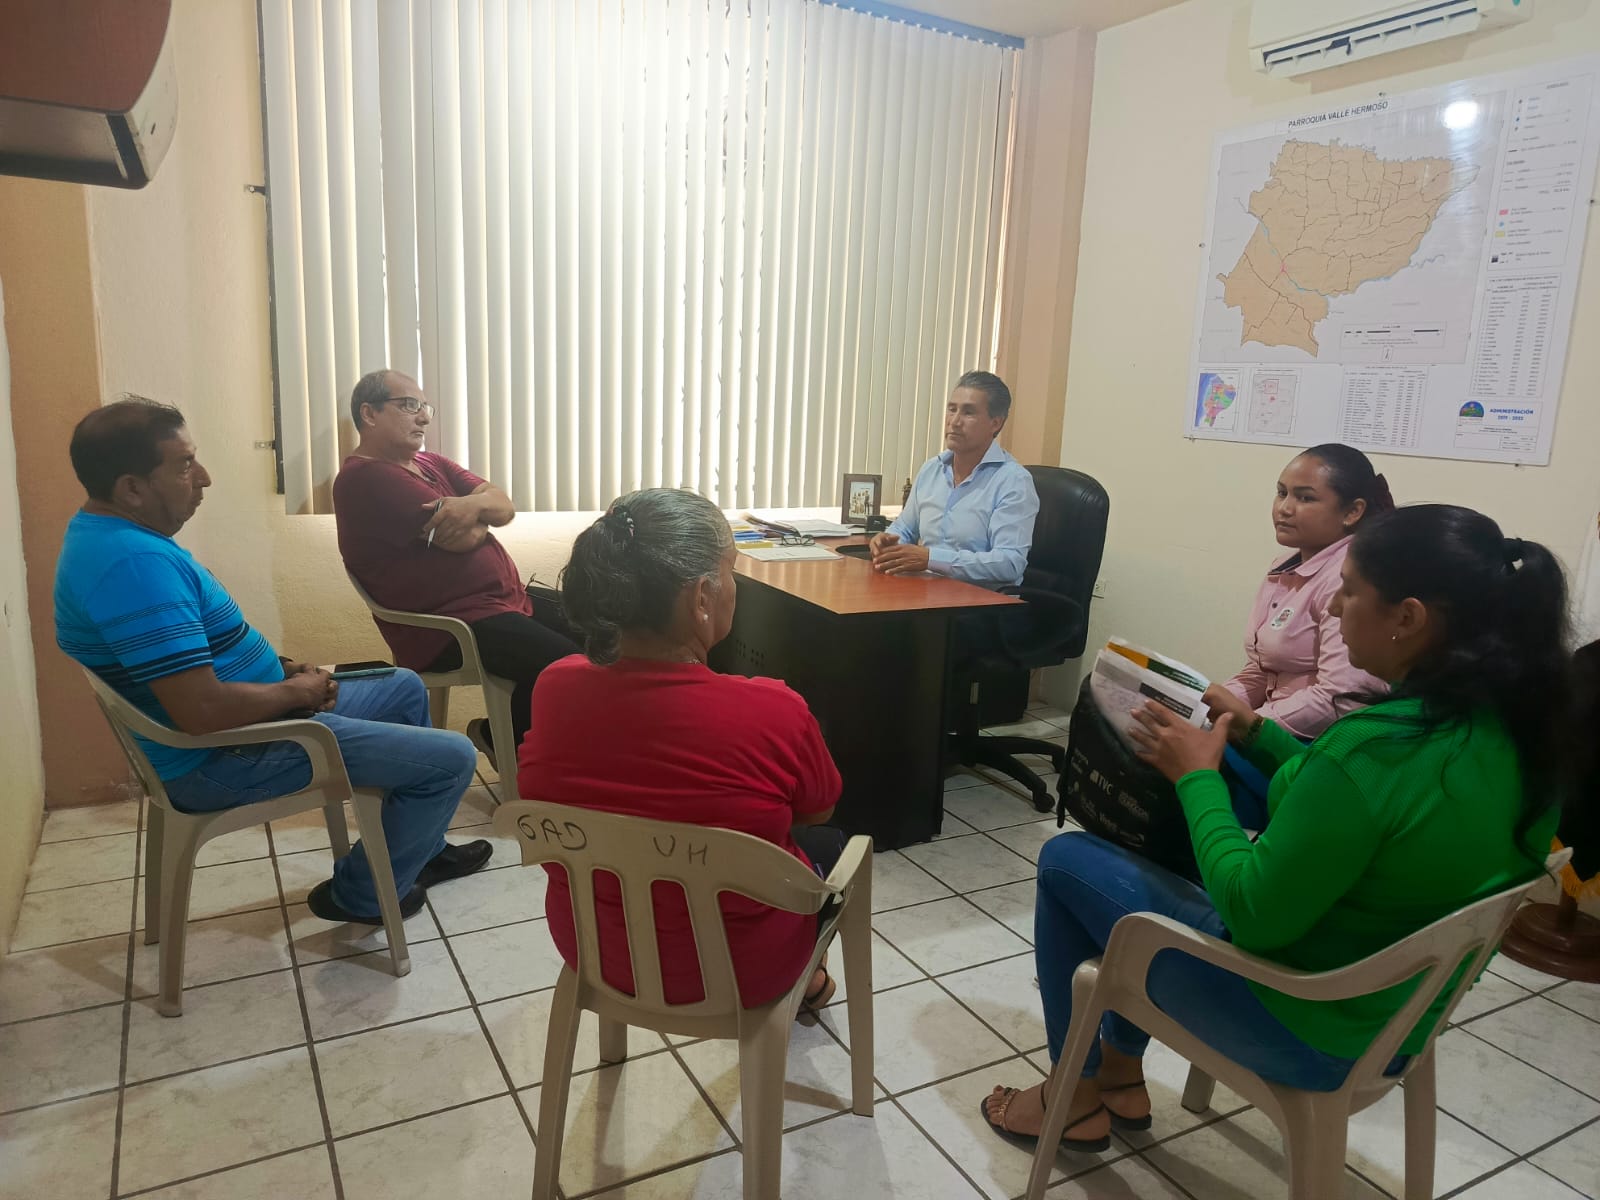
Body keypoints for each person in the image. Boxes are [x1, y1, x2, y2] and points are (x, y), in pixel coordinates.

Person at [981, 503, 1568, 1152]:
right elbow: (1342, 799)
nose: (1334, 609)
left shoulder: (1372, 749)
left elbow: (1252, 912)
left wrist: (1197, 778)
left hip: (1298, 1024)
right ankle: (1119, 1073)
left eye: (1350, 592)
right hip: (1398, 1021)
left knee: (1066, 861)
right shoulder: (1525, 738)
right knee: (1185, 827)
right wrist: (1256, 731)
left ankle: (1073, 1094)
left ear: (1408, 618)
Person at [55, 398, 491, 925]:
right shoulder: (134, 565)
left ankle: (420, 850)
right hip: (221, 757)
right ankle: (362, 895)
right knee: (453, 758)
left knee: (401, 685)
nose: (204, 478)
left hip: (248, 724)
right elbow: (200, 711)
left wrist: (283, 670)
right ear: (131, 488)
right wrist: (295, 693)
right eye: (186, 465)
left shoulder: (109, 537)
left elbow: (201, 653)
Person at [517, 488, 847, 1012]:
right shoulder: (775, 709)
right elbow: (817, 809)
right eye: (731, 571)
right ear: (701, 597)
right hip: (744, 973)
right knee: (828, 843)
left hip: (596, 953)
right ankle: (809, 979)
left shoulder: (554, 686)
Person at [332, 369, 580, 761]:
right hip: (447, 626)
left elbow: (503, 506)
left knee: (600, 627)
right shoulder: (364, 478)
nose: (424, 417)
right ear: (369, 413)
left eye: (424, 407)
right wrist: (481, 510)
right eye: (408, 405)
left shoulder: (430, 463)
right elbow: (466, 537)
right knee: (566, 664)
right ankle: (520, 750)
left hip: (501, 602)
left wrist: (472, 506)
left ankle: (507, 736)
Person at [1203, 444, 1392, 826]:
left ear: (1352, 511)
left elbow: (1340, 697)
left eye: (1305, 498)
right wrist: (1211, 704)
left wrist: (1248, 724)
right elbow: (1263, 668)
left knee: (1187, 768)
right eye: (1281, 492)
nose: (1284, 508)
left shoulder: (1348, 578)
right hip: (1267, 727)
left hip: (1314, 744)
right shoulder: (1284, 568)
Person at [868, 370, 1039, 589]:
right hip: (926, 593)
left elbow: (1009, 563)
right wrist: (887, 541)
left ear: (995, 423)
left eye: (968, 412)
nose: (955, 421)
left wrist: (930, 559)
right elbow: (905, 528)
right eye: (952, 409)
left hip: (981, 602)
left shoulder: (1013, 481)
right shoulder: (932, 469)